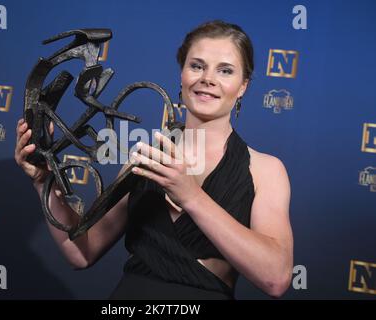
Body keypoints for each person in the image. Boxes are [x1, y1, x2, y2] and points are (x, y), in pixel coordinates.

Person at [15, 20, 293, 300]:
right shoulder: (146, 159)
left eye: (225, 70)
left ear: (243, 85)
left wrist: (191, 196)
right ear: (182, 75)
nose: (207, 78)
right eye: (197, 66)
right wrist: (44, 181)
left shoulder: (264, 170)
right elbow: (81, 253)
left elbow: (276, 278)